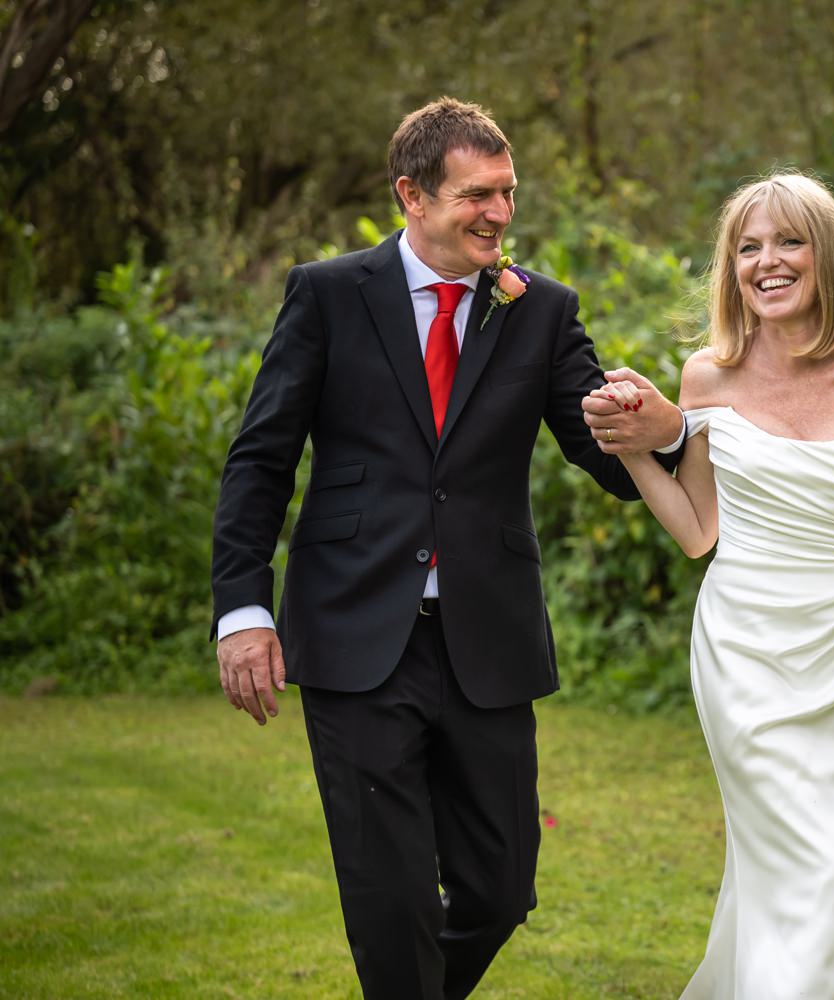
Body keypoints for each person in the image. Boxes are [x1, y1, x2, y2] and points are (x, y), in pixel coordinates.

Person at [209, 97, 684, 1000]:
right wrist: (243, 611)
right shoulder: (328, 294)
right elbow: (260, 460)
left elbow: (607, 459)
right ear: (411, 196)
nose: (499, 214)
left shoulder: (541, 310)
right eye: (476, 195)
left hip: (488, 640)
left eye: (506, 192)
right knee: (389, 896)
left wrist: (659, 431)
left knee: (502, 889)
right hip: (354, 635)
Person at [585, 172, 834, 999]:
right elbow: (700, 532)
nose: (766, 262)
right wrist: (635, 444)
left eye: (789, 241)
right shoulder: (708, 376)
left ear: (829, 256)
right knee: (802, 874)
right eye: (748, 247)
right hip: (742, 650)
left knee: (832, 879)